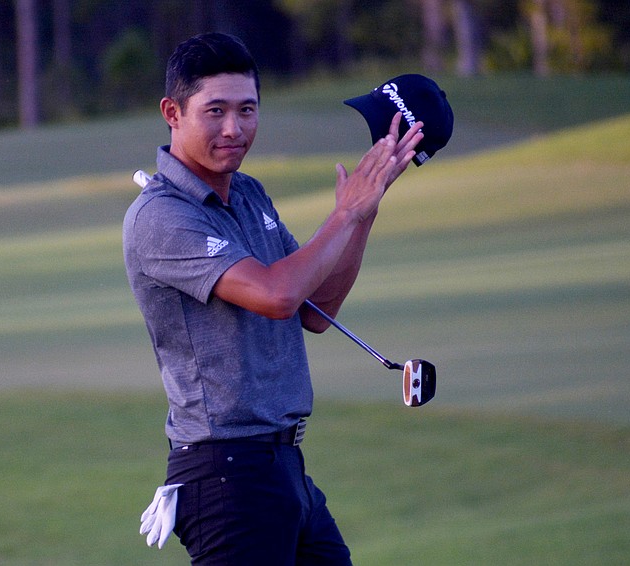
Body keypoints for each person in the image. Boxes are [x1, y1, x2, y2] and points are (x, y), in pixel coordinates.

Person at [122, 32, 424, 564]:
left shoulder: (249, 193)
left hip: (284, 468)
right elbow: (278, 295)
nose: (234, 129)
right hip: (226, 478)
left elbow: (315, 309)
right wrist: (343, 214)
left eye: (247, 110)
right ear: (172, 112)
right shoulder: (160, 217)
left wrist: (364, 214)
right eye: (214, 111)